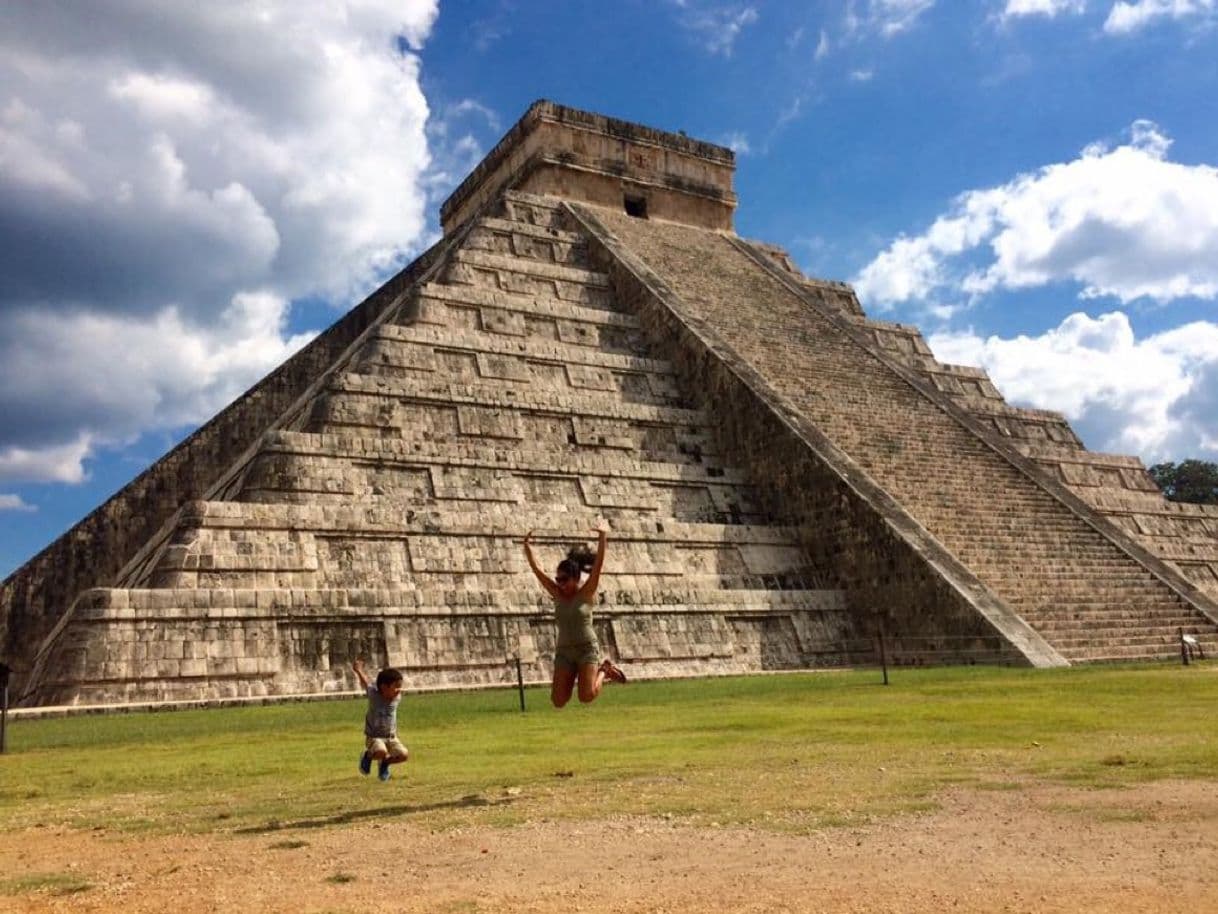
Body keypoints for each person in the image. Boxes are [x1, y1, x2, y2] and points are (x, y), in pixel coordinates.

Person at [523, 526, 627, 708]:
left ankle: (605, 670)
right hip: (564, 651)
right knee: (558, 701)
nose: (560, 583)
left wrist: (602, 537)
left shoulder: (586, 593)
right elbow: (537, 571)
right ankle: (592, 672)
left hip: (586, 649)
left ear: (575, 578)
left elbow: (598, 566)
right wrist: (527, 547)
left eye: (564, 579)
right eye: (558, 579)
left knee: (586, 696)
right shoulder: (557, 594)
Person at [352, 658, 409, 781]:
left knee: (404, 755)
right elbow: (365, 683)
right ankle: (367, 756)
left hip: (391, 737)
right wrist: (359, 670)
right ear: (384, 687)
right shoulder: (374, 695)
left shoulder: (397, 698)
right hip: (374, 737)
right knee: (380, 751)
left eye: (400, 687)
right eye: (396, 687)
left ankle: (385, 763)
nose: (399, 690)